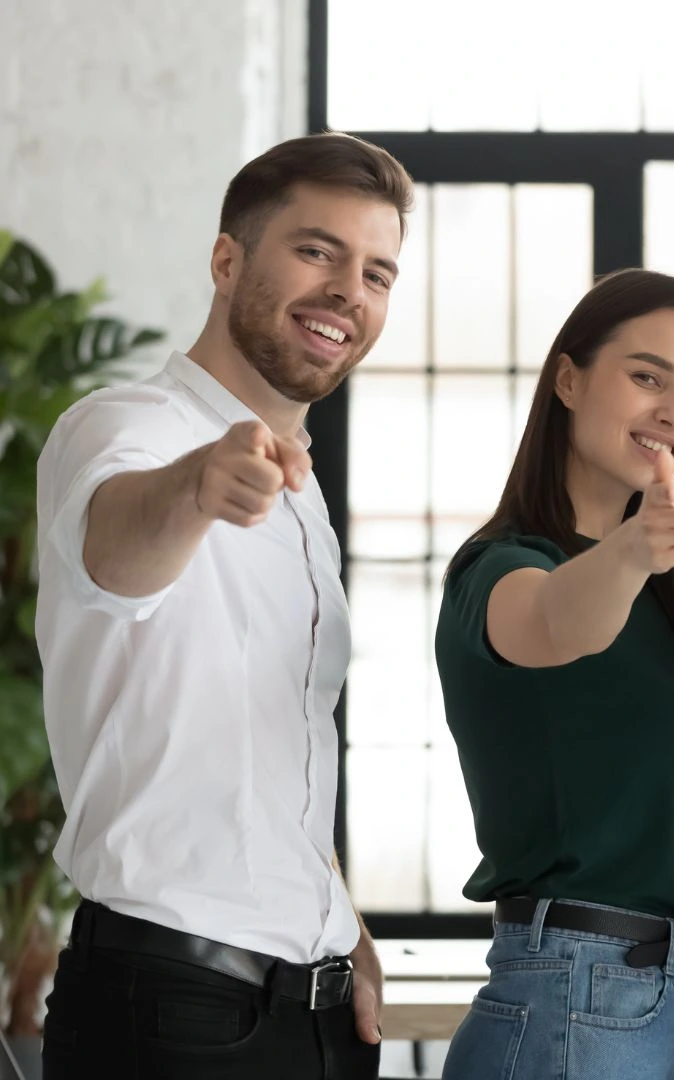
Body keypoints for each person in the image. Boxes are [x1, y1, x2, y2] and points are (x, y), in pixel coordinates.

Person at [35, 132, 411, 1078]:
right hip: (171, 1012)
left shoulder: (303, 496)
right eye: (317, 251)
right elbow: (113, 550)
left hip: (313, 1014)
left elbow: (269, 762)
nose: (349, 292)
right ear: (226, 260)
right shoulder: (122, 429)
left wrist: (343, 925)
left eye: (377, 274)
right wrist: (197, 487)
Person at [433, 269, 674, 1080]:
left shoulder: (650, 603)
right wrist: (634, 551)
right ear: (568, 380)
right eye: (647, 378)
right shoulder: (499, 568)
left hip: (649, 992)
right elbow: (553, 622)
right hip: (575, 987)